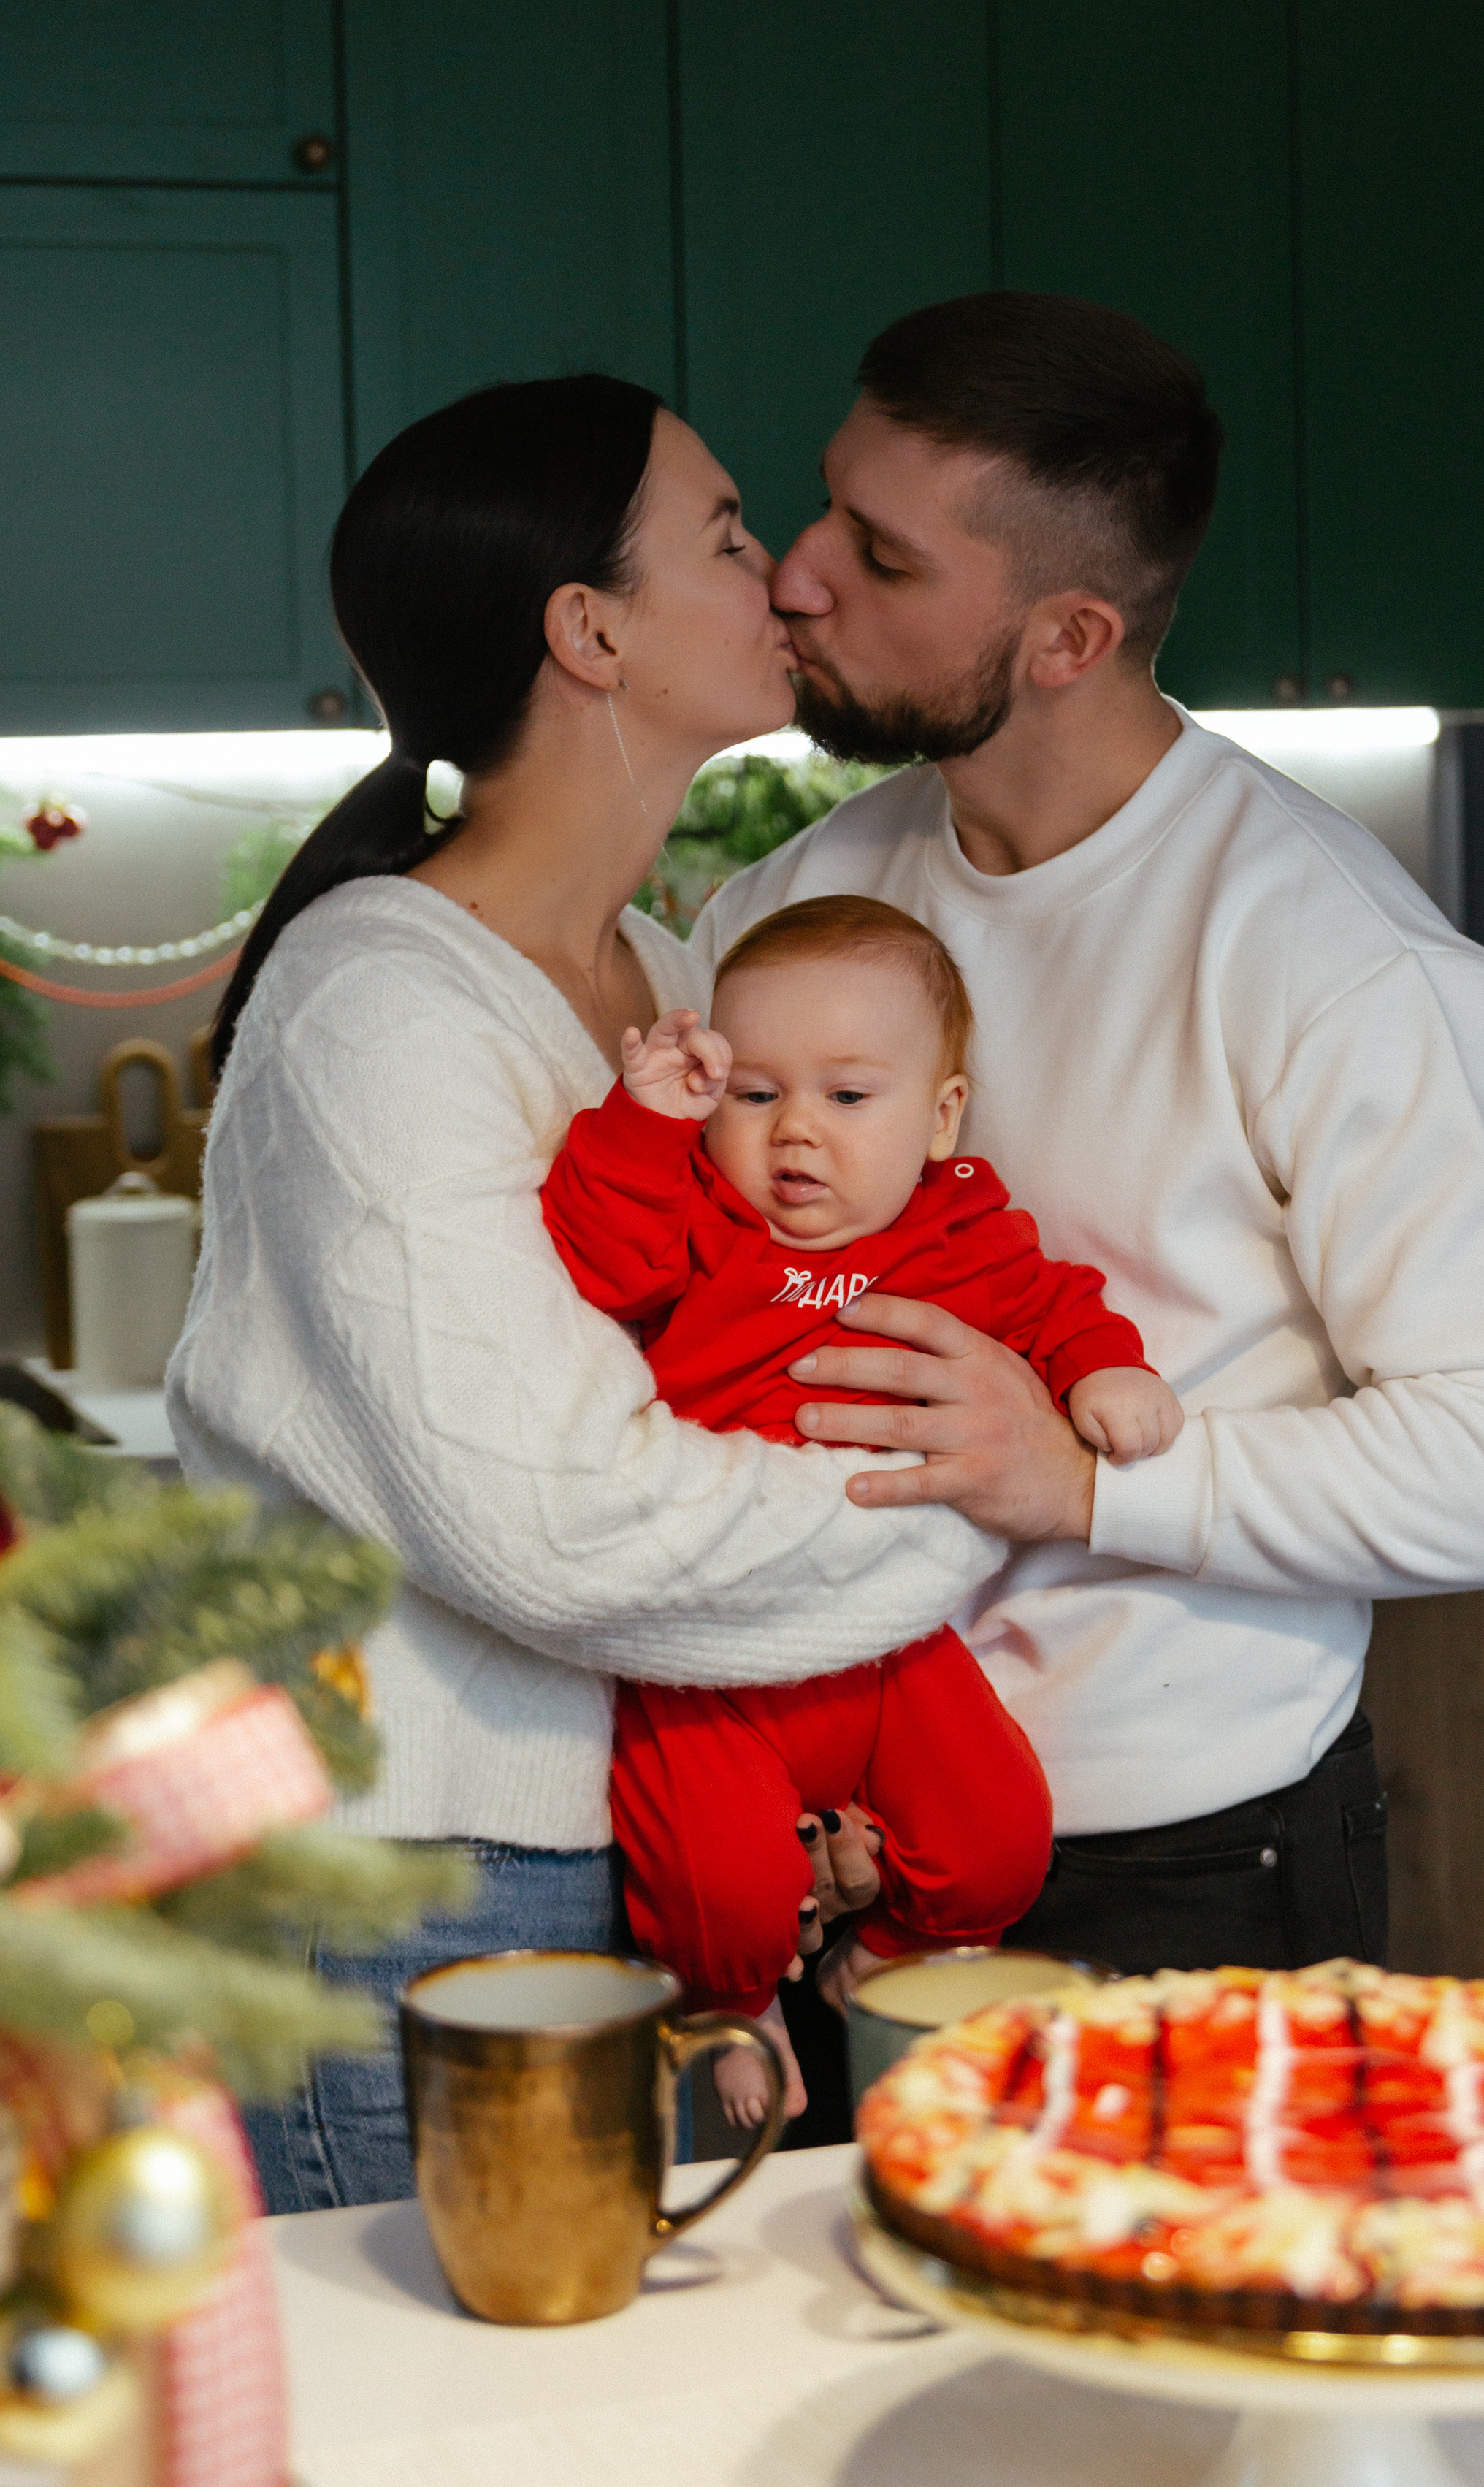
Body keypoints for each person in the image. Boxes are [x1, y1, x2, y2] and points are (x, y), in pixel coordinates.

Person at [694, 289, 1484, 1981]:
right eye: (824, 502)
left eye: (883, 558)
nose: (798, 573)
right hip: (824, 1847)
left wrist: (1081, 1481)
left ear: (1064, 638)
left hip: (1171, 1872)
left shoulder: (1328, 953)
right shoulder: (796, 901)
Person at [167, 375, 1022, 2212]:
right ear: (589, 630)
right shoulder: (384, 1005)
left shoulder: (657, 974)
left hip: (621, 1862)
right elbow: (555, 1521)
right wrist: (969, 1507)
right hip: (415, 1893)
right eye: (726, 537)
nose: (787, 578)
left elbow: (738, 1386)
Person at [543, 894, 1175, 2125]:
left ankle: (887, 1959)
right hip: (710, 1658)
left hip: (890, 1645)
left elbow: (1052, 1305)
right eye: (754, 1093)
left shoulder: (962, 1232)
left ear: (942, 1117)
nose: (795, 1135)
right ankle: (734, 2006)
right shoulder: (701, 1217)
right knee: (718, 1879)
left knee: (999, 1831)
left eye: (847, 1098)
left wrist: (1104, 1370)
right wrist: (640, 1127)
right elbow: (596, 1260)